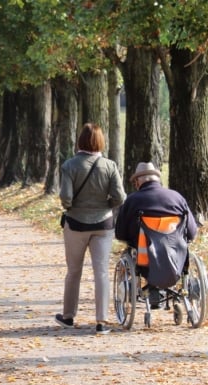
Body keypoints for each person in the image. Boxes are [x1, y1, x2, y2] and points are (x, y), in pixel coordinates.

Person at [55, 123, 126, 335]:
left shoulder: (70, 166)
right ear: (100, 142)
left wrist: (72, 207)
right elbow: (120, 197)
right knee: (101, 272)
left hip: (76, 224)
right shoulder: (110, 165)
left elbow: (65, 197)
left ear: (80, 141)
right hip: (103, 225)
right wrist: (105, 206)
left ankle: (68, 316)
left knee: (73, 271)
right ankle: (101, 321)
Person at [115, 162, 198, 307]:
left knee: (135, 249)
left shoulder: (132, 200)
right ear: (157, 180)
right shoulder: (177, 198)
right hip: (177, 258)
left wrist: (132, 239)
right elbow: (191, 232)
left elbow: (120, 233)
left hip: (144, 259)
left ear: (137, 182)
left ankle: (150, 290)